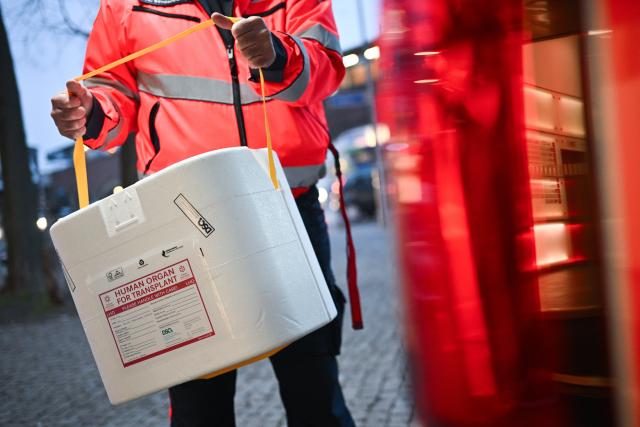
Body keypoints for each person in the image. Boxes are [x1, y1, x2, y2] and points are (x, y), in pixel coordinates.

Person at [50, 0, 355, 426]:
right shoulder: (124, 6)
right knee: (198, 399)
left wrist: (278, 55)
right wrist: (91, 112)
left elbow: (326, 69)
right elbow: (112, 93)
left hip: (285, 204)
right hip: (181, 215)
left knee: (314, 381)